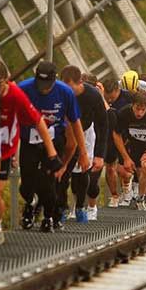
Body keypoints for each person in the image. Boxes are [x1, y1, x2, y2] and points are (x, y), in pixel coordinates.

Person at [0, 61, 59, 245]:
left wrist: (52, 153)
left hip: (4, 150)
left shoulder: (15, 94)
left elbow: (38, 121)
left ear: (6, 81)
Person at [18, 61, 89, 232]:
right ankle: (31, 202)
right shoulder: (24, 89)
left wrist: (83, 152)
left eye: (47, 85)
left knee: (48, 181)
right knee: (26, 182)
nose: (44, 89)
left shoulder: (65, 93)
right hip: (30, 140)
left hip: (54, 140)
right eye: (40, 85)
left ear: (54, 80)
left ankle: (49, 217)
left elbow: (75, 123)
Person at [58, 65, 108, 223]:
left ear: (79, 82)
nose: (67, 91)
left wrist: (100, 154)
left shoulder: (93, 95)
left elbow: (102, 124)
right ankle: (62, 207)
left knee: (82, 172)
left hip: (86, 132)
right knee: (62, 173)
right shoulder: (60, 93)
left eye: (70, 86)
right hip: (65, 132)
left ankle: (80, 206)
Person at [103, 78, 134, 207]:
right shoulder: (101, 98)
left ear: (117, 90)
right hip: (108, 136)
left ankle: (127, 187)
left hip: (124, 137)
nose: (109, 100)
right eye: (107, 97)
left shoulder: (128, 98)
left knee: (124, 170)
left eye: (112, 97)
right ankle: (114, 195)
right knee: (110, 167)